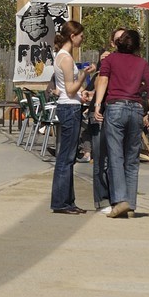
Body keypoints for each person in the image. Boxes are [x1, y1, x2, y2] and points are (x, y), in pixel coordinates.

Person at [92, 28, 149, 218]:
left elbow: (103, 81)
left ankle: (120, 201)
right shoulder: (142, 63)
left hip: (115, 107)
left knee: (115, 157)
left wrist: (97, 105)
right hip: (136, 109)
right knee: (132, 158)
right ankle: (131, 204)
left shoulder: (110, 60)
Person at [49, 21, 89, 214]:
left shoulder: (63, 57)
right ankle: (61, 202)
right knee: (67, 157)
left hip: (69, 105)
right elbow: (70, 88)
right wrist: (83, 76)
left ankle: (66, 200)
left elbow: (70, 89)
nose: (82, 39)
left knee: (68, 156)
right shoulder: (65, 59)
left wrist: (83, 92)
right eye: (81, 36)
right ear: (72, 37)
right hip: (69, 108)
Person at [86, 27, 126, 212]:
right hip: (100, 113)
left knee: (117, 159)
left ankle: (117, 198)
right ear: (111, 43)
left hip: (119, 113)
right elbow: (95, 86)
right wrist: (102, 67)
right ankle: (102, 199)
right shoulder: (105, 60)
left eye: (124, 39)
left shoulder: (130, 61)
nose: (121, 42)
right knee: (101, 158)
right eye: (117, 39)